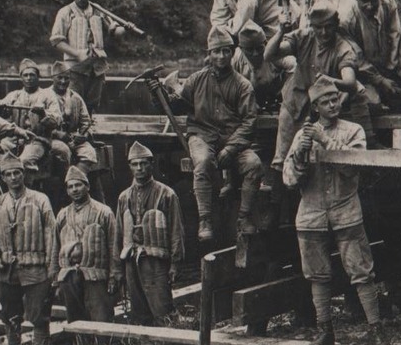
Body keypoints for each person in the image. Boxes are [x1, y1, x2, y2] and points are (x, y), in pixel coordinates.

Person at [281, 75, 393, 345]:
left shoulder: (353, 130)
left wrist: (325, 141)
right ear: (316, 107)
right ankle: (325, 330)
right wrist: (301, 156)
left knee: (362, 271)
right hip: (311, 211)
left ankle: (375, 330)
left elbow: (352, 168)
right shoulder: (302, 134)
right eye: (325, 101)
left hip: (345, 209)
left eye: (335, 99)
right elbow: (290, 180)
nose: (332, 105)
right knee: (317, 274)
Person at [165, 26, 265, 242]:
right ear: (209, 54)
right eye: (216, 51)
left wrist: (231, 147)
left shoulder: (242, 85)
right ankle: (205, 219)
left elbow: (249, 122)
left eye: (226, 51)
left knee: (254, 165)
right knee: (201, 162)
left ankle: (243, 217)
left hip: (232, 140)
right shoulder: (195, 80)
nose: (221, 56)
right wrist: (161, 96)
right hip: (201, 136)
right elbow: (179, 107)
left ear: (232, 53)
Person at [265, 0, 368, 167]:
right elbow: (269, 55)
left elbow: (350, 83)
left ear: (336, 25)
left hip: (321, 107)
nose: (324, 32)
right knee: (283, 159)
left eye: (328, 27)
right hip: (295, 101)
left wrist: (331, 80)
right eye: (318, 27)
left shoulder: (343, 48)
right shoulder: (303, 37)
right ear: (312, 26)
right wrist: (281, 31)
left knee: (314, 158)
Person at [0, 154, 57, 345]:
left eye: (17, 172)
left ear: (23, 174)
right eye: (9, 174)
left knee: (39, 316)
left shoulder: (40, 200)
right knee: (10, 316)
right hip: (7, 270)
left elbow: (51, 233)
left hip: (35, 269)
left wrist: (52, 267)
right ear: (3, 178)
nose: (14, 177)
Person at [116, 141, 185, 326]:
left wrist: (175, 264)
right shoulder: (124, 197)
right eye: (135, 164)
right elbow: (119, 232)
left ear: (151, 164)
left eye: (144, 163)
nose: (139, 168)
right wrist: (118, 267)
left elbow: (176, 231)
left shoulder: (166, 194)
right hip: (132, 259)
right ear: (130, 167)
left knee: (162, 307)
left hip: (155, 261)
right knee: (138, 309)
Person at [53, 164, 121, 324]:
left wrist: (114, 276)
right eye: (70, 187)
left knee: (101, 317)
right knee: (75, 318)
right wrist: (55, 279)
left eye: (78, 185)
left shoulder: (103, 212)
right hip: (69, 276)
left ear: (87, 186)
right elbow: (55, 246)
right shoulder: (62, 215)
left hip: (96, 274)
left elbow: (114, 245)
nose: (74, 189)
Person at [49, 0, 120, 109]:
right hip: (75, 69)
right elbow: (56, 41)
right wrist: (76, 54)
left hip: (97, 68)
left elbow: (114, 31)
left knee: (92, 105)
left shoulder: (98, 10)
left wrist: (125, 28)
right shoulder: (65, 12)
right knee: (73, 104)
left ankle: (88, 129)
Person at [347, 0, 401, 114]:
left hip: (384, 67)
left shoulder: (387, 2)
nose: (369, 6)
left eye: (374, 0)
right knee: (372, 105)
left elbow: (395, 36)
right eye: (364, 2)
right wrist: (379, 80)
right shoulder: (347, 16)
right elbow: (355, 56)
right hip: (359, 72)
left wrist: (390, 70)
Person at [0, 59, 69, 172]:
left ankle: (28, 187)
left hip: (37, 139)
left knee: (24, 161)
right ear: (21, 77)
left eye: (32, 75)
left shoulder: (47, 95)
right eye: (25, 75)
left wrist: (43, 114)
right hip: (13, 139)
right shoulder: (14, 95)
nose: (29, 78)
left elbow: (57, 120)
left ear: (38, 77)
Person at [43, 62, 99, 173]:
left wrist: (84, 135)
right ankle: (63, 183)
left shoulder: (76, 98)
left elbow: (86, 122)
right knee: (63, 152)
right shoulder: (43, 96)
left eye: (66, 78)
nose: (63, 82)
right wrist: (55, 133)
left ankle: (74, 180)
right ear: (52, 78)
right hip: (50, 139)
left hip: (73, 139)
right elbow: (36, 124)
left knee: (89, 153)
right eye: (59, 78)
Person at [234, 19, 285, 113]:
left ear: (266, 44)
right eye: (249, 50)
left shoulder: (275, 53)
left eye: (259, 48)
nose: (255, 54)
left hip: (276, 101)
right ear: (241, 48)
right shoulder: (235, 59)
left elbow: (294, 67)